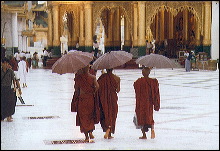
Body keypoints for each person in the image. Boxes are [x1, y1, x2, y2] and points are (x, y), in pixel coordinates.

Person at [72, 65, 100, 142]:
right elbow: (97, 87)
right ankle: (90, 131)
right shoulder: (92, 77)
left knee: (83, 117)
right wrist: (92, 91)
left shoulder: (79, 78)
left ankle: (86, 136)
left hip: (82, 99)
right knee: (90, 115)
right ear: (88, 69)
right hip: (90, 99)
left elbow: (76, 88)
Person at [133, 67, 160, 139]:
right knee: (149, 116)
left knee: (141, 118)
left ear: (143, 73)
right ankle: (152, 129)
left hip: (141, 103)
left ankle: (144, 134)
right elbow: (156, 91)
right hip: (149, 103)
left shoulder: (139, 81)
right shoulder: (153, 82)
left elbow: (135, 87)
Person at [97, 68, 120, 139]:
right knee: (112, 114)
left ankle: (107, 128)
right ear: (113, 69)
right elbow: (118, 90)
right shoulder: (117, 78)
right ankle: (110, 130)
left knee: (105, 113)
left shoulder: (102, 78)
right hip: (113, 98)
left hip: (103, 98)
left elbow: (98, 87)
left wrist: (103, 75)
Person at [1, 57, 21, 122]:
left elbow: (13, 80)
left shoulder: (10, 71)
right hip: (2, 88)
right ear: (2, 64)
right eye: (4, 63)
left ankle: (9, 116)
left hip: (8, 88)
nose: (6, 64)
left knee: (9, 103)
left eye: (7, 63)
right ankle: (2, 116)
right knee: (2, 102)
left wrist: (15, 87)